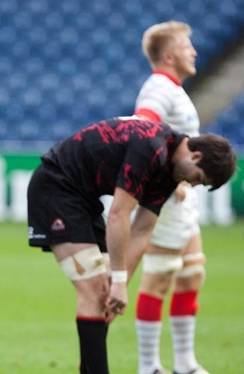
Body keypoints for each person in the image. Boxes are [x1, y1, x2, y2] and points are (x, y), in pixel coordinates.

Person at [26, 117, 236, 374]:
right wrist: (117, 281)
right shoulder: (151, 147)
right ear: (196, 156)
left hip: (83, 200)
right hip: (56, 186)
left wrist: (120, 284)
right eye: (199, 179)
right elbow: (119, 214)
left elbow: (142, 229)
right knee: (94, 288)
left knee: (103, 294)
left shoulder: (170, 170)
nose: (192, 185)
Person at [129, 21, 211, 374]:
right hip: (165, 200)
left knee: (192, 273)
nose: (193, 51)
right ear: (168, 55)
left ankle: (185, 364)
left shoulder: (174, 89)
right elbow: (141, 129)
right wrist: (166, 174)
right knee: (160, 276)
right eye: (186, 45)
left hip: (182, 200)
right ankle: (149, 366)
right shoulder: (159, 89)